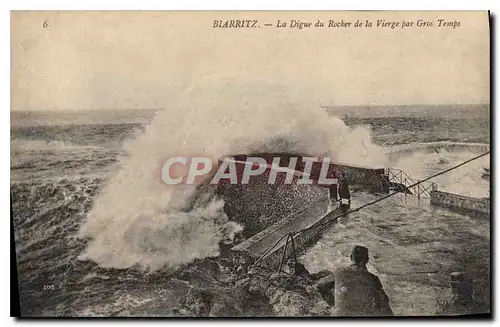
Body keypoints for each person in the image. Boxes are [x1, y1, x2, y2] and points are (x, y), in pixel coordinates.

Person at [316, 245, 393, 316]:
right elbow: (385, 305)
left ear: (351, 257)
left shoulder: (339, 273)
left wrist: (334, 305)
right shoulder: (373, 279)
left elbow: (320, 286)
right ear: (367, 260)